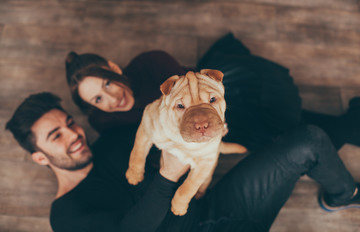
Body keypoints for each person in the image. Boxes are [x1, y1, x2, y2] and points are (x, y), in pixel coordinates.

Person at [5, 92, 360, 232]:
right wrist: (166, 177)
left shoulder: (114, 143)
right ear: (39, 157)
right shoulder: (64, 214)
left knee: (308, 139)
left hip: (220, 205)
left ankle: (343, 194)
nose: (74, 135)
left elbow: (166, 124)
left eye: (69, 124)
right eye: (57, 137)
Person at [65, 33, 302, 152]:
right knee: (277, 143)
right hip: (187, 133)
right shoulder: (102, 120)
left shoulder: (151, 63)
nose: (113, 98)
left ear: (114, 68)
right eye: (98, 99)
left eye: (108, 83)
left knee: (283, 122)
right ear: (92, 107)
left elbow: (197, 105)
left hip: (209, 104)